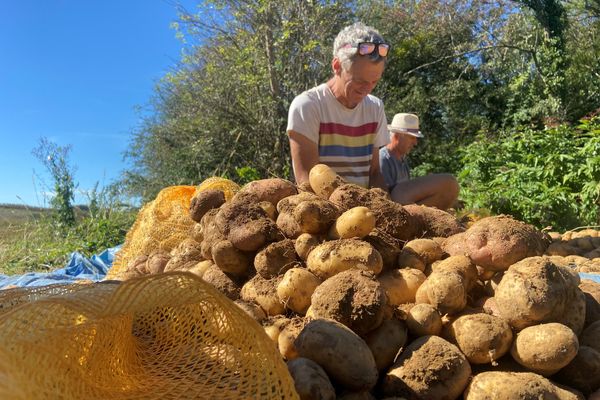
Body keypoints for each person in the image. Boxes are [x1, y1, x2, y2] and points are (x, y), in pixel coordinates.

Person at [287, 22, 390, 190]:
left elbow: (375, 173)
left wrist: (385, 205)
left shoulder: (375, 107)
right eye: (359, 81)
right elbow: (307, 181)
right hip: (324, 208)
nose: (367, 89)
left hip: (365, 210)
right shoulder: (307, 106)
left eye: (374, 81)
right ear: (336, 66)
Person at [379, 113, 459, 210]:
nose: (415, 142)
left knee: (447, 189)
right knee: (449, 181)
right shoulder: (383, 159)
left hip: (403, 208)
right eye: (412, 137)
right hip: (395, 210)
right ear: (397, 137)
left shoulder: (403, 160)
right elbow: (384, 197)